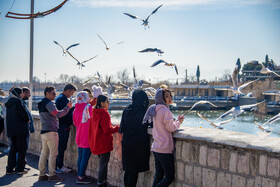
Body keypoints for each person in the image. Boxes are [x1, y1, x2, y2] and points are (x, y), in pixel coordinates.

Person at [143, 88, 185, 187]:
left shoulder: (155, 109)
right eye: (166, 96)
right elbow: (171, 128)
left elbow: (164, 125)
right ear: (161, 98)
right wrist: (179, 122)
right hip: (164, 149)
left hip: (156, 147)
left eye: (170, 95)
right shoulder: (165, 111)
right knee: (169, 177)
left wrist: (175, 121)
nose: (170, 98)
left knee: (159, 175)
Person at [37, 86, 72, 182]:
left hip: (44, 131)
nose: (55, 95)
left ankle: (42, 174)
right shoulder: (49, 103)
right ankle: (52, 174)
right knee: (53, 154)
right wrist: (68, 107)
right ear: (47, 93)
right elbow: (58, 114)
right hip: (51, 131)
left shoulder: (41, 103)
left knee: (44, 153)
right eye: (53, 93)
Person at [119, 89, 152, 187]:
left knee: (128, 170)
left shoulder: (127, 109)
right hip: (139, 144)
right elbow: (151, 123)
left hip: (127, 143)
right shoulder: (143, 111)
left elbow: (122, 127)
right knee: (134, 171)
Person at [88, 95, 119, 187]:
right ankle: (100, 182)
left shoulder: (94, 113)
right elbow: (107, 130)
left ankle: (103, 181)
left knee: (102, 163)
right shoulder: (104, 114)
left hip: (96, 142)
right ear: (102, 103)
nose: (108, 103)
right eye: (107, 101)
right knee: (103, 164)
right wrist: (118, 127)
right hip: (104, 143)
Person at [5, 87, 30, 175]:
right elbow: (24, 115)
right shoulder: (18, 102)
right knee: (22, 149)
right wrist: (28, 119)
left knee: (13, 149)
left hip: (12, 130)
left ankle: (9, 169)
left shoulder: (9, 103)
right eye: (21, 93)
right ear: (18, 94)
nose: (22, 95)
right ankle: (20, 168)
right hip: (20, 130)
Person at [55, 83, 77, 173]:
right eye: (72, 93)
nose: (72, 95)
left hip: (60, 125)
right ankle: (59, 166)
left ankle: (58, 165)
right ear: (68, 90)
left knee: (59, 147)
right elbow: (65, 113)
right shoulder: (63, 100)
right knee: (61, 147)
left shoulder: (59, 98)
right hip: (63, 126)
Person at [73, 91, 93, 184]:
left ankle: (80, 174)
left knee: (80, 157)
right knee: (85, 157)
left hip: (79, 135)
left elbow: (75, 123)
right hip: (87, 136)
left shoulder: (75, 109)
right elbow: (93, 120)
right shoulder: (88, 108)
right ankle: (81, 177)